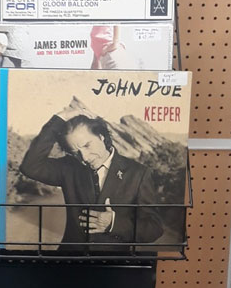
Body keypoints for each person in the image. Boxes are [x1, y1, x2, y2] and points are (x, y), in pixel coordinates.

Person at [19, 99, 164, 247]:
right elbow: (30, 166)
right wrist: (60, 118)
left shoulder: (138, 173)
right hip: (71, 260)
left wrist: (113, 223)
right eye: (76, 153)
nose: (85, 157)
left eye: (87, 145)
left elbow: (154, 228)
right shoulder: (69, 168)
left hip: (113, 265)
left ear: (101, 136)